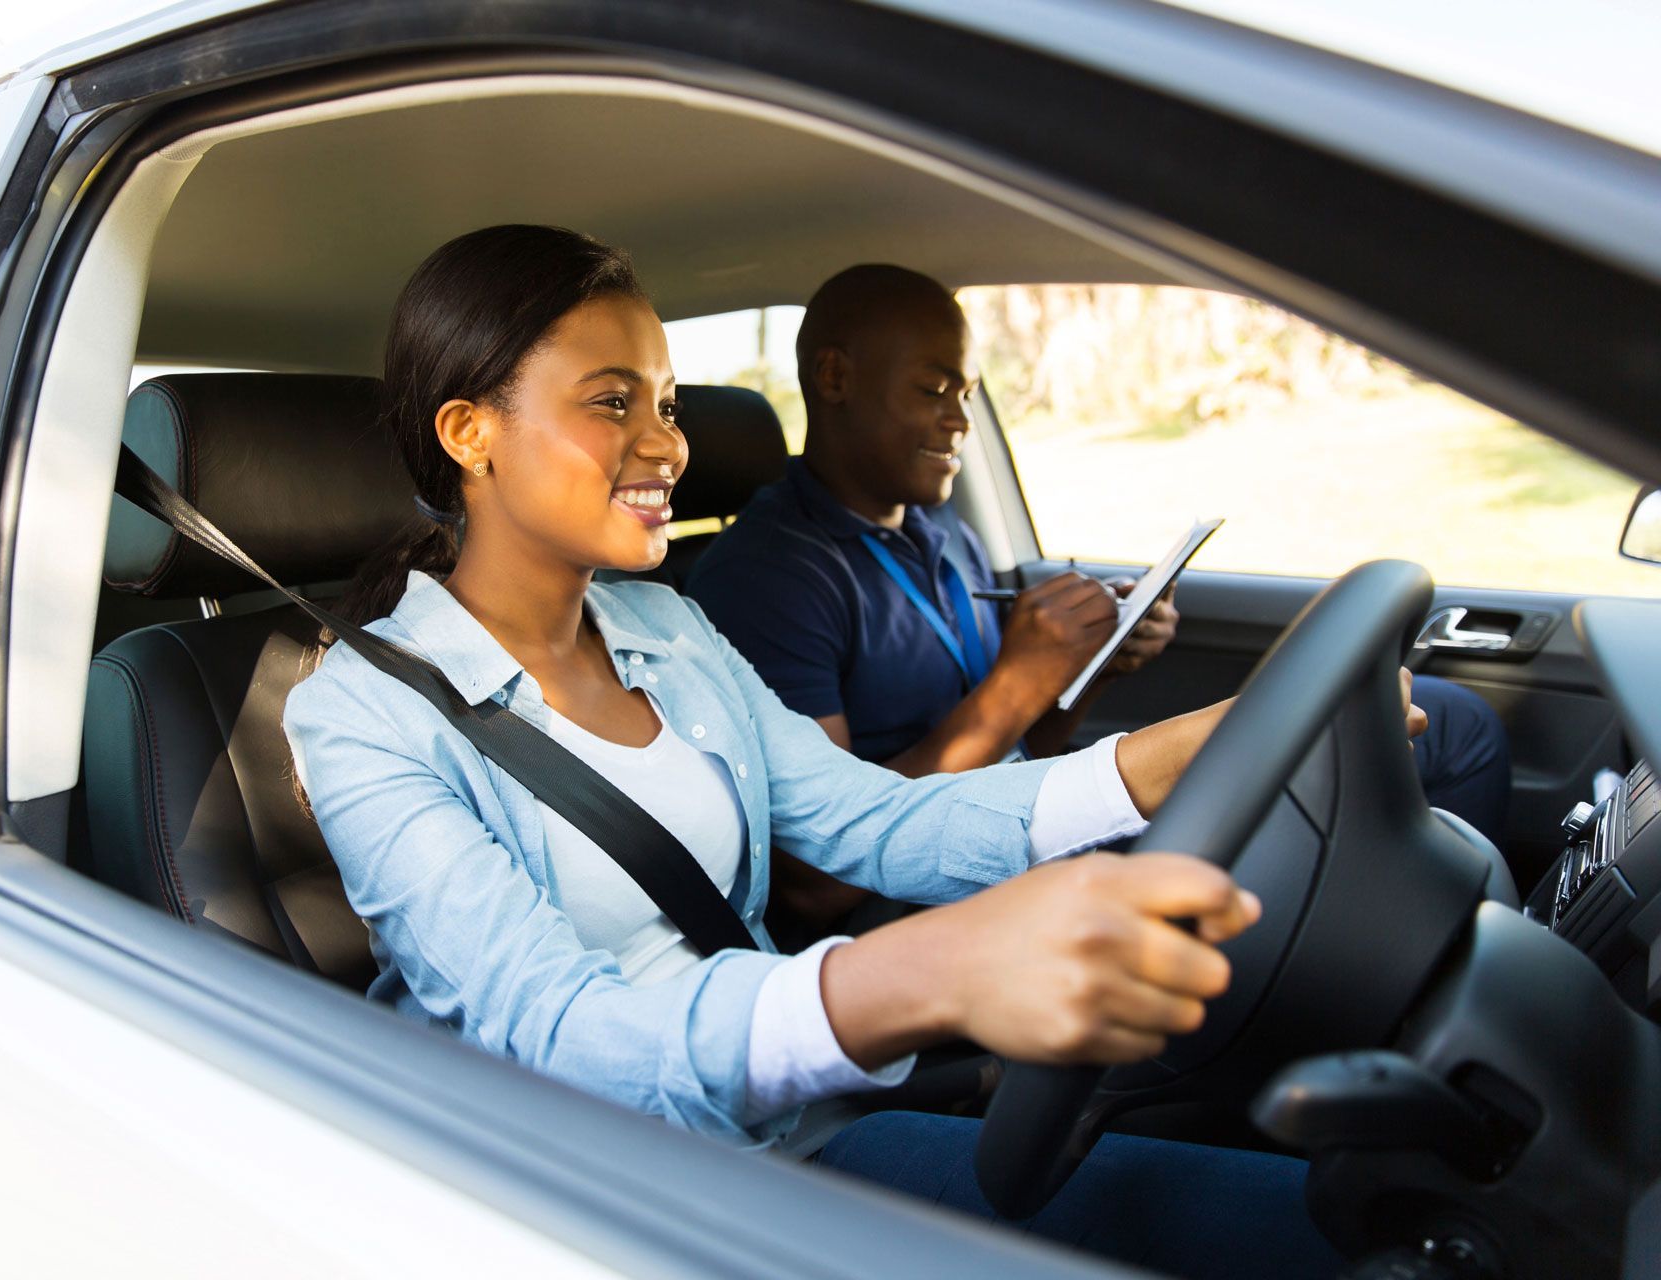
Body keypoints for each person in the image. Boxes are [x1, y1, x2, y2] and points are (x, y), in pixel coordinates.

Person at [283, 226, 1421, 1276]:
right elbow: (563, 1036)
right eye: (611, 401)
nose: (666, 444)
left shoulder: (666, 628)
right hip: (591, 1202)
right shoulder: (362, 714)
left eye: (669, 403)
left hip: (780, 1125)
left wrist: (1167, 755)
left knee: (1344, 1219)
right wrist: (931, 972)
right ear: (468, 429)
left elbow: (877, 820)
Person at [686, 264, 1510, 938]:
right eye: (935, 389)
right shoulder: (768, 577)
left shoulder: (943, 538)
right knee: (1384, 777)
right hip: (916, 898)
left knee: (1446, 721)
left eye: (967, 393)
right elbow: (818, 881)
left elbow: (1026, 754)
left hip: (1022, 819)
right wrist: (1016, 681)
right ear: (834, 377)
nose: (959, 420)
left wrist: (1091, 670)